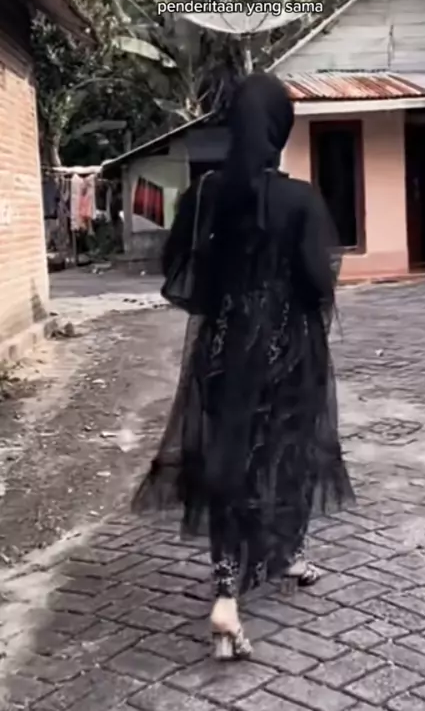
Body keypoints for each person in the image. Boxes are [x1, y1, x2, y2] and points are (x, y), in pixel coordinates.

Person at [132, 73, 355, 661]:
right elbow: (318, 284)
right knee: (285, 456)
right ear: (278, 129)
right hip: (286, 356)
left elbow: (181, 276)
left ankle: (227, 596)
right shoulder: (301, 200)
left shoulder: (203, 194)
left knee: (228, 461)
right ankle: (288, 553)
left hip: (222, 355)